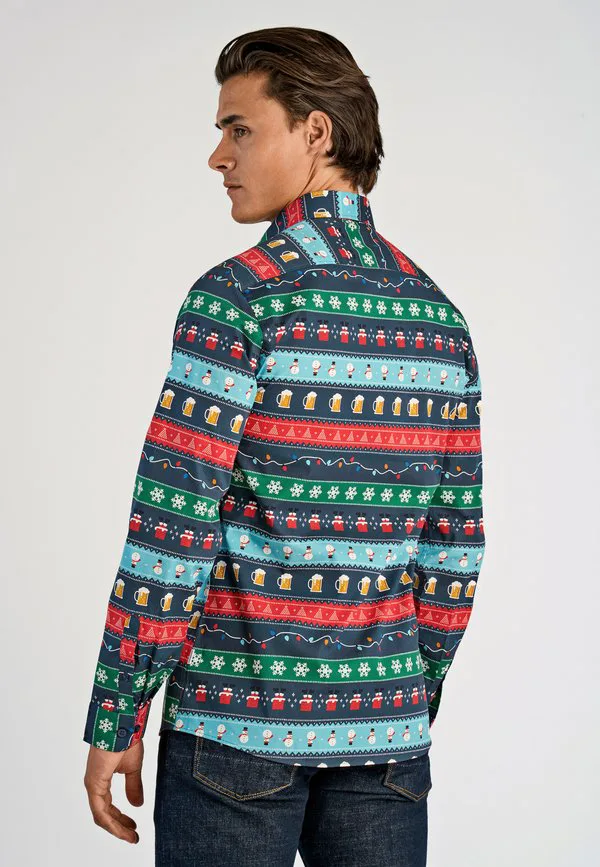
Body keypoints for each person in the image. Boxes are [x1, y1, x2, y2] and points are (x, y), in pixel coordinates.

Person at [82, 26, 486, 867]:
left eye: (240, 128)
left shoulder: (240, 299)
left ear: (316, 132)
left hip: (236, 727)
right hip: (386, 734)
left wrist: (119, 710)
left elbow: (172, 528)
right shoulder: (439, 320)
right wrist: (402, 695)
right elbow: (454, 553)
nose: (217, 156)